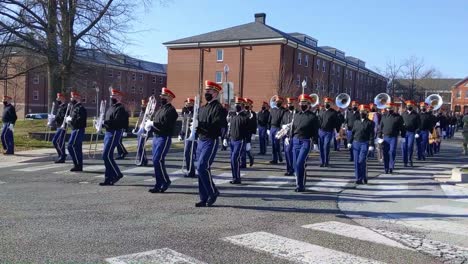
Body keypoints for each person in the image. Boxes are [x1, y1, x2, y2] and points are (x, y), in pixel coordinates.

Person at [194, 80, 227, 207]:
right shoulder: (202, 108)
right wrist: (195, 127)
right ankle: (204, 197)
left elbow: (217, 126)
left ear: (215, 93)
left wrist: (201, 126)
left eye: (208, 91)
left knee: (203, 166)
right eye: (205, 91)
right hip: (200, 140)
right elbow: (198, 124)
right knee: (200, 168)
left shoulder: (219, 109)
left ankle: (213, 192)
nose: (206, 93)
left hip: (210, 140)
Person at [144, 88, 178, 193]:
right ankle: (159, 184)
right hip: (156, 137)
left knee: (157, 160)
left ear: (170, 98)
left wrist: (153, 124)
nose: (162, 98)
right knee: (157, 161)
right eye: (162, 96)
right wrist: (148, 127)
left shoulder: (171, 111)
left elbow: (165, 125)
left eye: (164, 96)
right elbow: (155, 122)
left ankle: (164, 181)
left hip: (164, 137)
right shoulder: (160, 109)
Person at [290, 94, 319, 192]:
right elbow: (293, 128)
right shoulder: (296, 115)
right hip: (295, 140)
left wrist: (315, 143)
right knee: (295, 165)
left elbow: (315, 131)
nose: (302, 104)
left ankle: (300, 185)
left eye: (304, 103)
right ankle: (299, 182)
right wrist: (289, 137)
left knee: (300, 163)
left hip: (305, 141)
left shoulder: (312, 116)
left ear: (308, 104)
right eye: (301, 102)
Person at [99, 89, 128, 186]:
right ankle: (108, 178)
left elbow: (117, 122)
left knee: (106, 155)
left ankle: (117, 173)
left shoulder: (120, 108)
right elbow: (108, 120)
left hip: (114, 132)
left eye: (114, 96)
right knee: (107, 155)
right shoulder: (111, 107)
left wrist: (105, 123)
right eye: (112, 95)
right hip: (108, 132)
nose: (112, 97)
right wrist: (100, 124)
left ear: (119, 97)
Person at [223, 97, 249, 184]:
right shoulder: (232, 115)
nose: (237, 106)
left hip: (240, 140)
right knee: (232, 159)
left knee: (235, 159)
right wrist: (226, 138)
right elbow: (229, 128)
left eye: (239, 104)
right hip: (232, 140)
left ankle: (237, 178)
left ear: (242, 105)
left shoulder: (245, 116)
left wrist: (248, 142)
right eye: (236, 104)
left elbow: (247, 130)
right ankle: (235, 177)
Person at [348, 104, 375, 184]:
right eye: (360, 111)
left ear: (367, 112)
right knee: (356, 161)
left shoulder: (370, 123)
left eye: (363, 111)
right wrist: (350, 142)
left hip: (364, 143)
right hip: (356, 143)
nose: (361, 113)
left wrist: (371, 144)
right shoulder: (356, 122)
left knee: (361, 160)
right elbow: (353, 133)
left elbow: (371, 135)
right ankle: (358, 178)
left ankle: (364, 176)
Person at [377, 103, 405, 174]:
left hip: (393, 137)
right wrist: (379, 136)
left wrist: (403, 136)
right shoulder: (384, 116)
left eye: (390, 108)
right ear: (386, 109)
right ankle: (386, 167)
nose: (389, 110)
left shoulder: (398, 117)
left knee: (392, 152)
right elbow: (380, 127)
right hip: (385, 137)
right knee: (385, 152)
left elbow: (402, 127)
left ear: (393, 108)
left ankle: (391, 166)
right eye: (388, 108)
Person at [65, 92, 87, 172]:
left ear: (77, 97)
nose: (71, 99)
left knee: (71, 146)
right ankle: (78, 165)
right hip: (74, 129)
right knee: (77, 148)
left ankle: (77, 164)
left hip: (78, 129)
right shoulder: (74, 107)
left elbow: (80, 120)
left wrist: (70, 120)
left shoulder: (80, 108)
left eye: (72, 97)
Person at [318, 97, 341, 167]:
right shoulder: (321, 111)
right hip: (321, 131)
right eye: (325, 103)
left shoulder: (333, 112)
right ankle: (322, 161)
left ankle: (326, 161)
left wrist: (337, 132)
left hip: (329, 131)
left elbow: (337, 122)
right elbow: (318, 120)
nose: (326, 104)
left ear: (330, 104)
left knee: (326, 146)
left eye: (327, 103)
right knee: (321, 147)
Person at [180, 98, 197, 178]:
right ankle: (190, 171)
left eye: (190, 103)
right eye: (187, 103)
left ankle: (195, 170)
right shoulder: (185, 112)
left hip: (194, 135)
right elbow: (183, 124)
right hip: (187, 135)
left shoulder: (196, 112)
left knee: (194, 153)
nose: (188, 105)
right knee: (187, 153)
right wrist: (181, 133)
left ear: (193, 104)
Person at [401, 100, 420, 167]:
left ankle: (410, 160)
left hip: (411, 133)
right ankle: (405, 161)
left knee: (410, 146)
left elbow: (418, 125)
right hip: (404, 132)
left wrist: (417, 132)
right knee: (404, 147)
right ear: (406, 106)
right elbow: (400, 123)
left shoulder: (416, 115)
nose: (409, 106)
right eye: (408, 105)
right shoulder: (403, 114)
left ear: (412, 106)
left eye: (410, 105)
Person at [51, 93, 69, 163]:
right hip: (59, 126)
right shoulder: (60, 107)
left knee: (59, 142)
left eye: (58, 98)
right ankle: (62, 155)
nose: (57, 99)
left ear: (63, 98)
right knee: (56, 141)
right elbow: (58, 116)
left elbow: (63, 117)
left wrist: (55, 119)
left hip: (62, 127)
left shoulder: (65, 107)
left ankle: (62, 156)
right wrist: (52, 118)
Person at [268, 95, 285, 164]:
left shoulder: (283, 110)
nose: (278, 102)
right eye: (277, 101)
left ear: (281, 102)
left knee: (276, 144)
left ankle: (279, 156)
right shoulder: (272, 109)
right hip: (272, 128)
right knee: (273, 144)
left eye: (279, 101)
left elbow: (283, 120)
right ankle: (274, 159)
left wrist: (281, 129)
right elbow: (270, 119)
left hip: (278, 128)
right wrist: (268, 128)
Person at [281, 97, 296, 176]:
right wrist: (283, 127)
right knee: (287, 152)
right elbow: (282, 123)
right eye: (288, 103)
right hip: (286, 136)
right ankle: (289, 169)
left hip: (294, 136)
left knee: (292, 153)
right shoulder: (286, 113)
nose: (289, 105)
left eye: (291, 103)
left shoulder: (296, 113)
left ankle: (293, 169)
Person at [241, 98, 256, 168]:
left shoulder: (252, 114)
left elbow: (254, 124)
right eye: (245, 104)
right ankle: (243, 163)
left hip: (249, 133)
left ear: (250, 105)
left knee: (247, 148)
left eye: (248, 104)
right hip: (242, 132)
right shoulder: (242, 112)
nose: (246, 105)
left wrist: (253, 133)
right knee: (242, 148)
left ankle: (251, 157)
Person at [134, 99, 149, 166]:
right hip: (140, 129)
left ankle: (143, 160)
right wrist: (136, 127)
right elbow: (139, 119)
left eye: (144, 103)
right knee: (139, 146)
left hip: (145, 129)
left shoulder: (148, 111)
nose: (142, 105)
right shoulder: (142, 111)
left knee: (140, 145)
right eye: (142, 103)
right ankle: (142, 159)